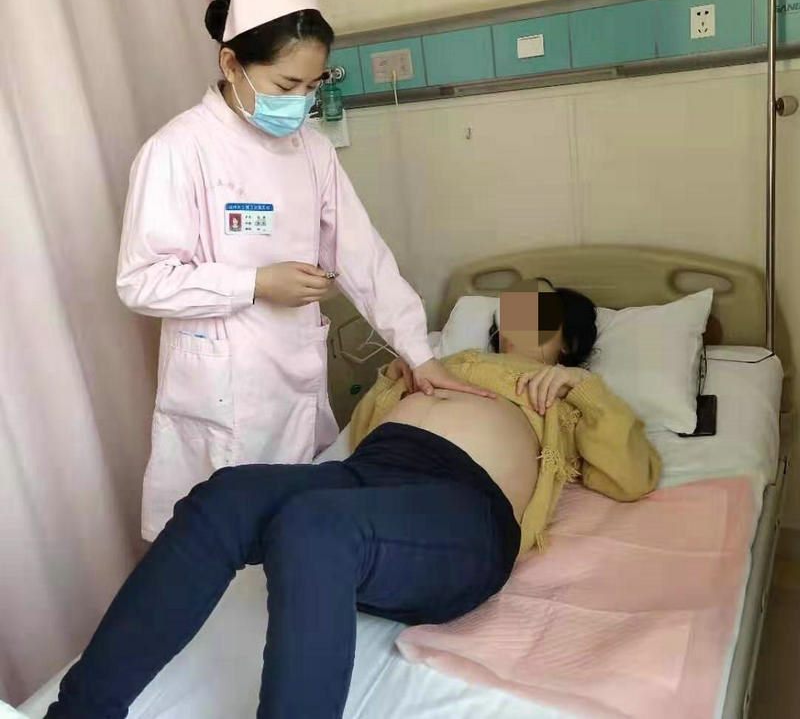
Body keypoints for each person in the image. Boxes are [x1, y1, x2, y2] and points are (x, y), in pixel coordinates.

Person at [45, 286, 661, 719]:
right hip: (368, 475)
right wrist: (403, 379)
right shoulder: (442, 362)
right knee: (225, 494)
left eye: (542, 307)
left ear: (569, 339)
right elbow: (363, 430)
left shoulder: (569, 394)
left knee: (316, 525)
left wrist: (582, 387)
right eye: (518, 302)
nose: (524, 308)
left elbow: (634, 476)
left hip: (463, 508)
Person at [116, 0, 490, 541]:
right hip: (223, 390)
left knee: (295, 532)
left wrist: (420, 354)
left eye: (313, 87)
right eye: (286, 86)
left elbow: (363, 256)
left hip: (294, 375)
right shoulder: (179, 150)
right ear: (231, 63)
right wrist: (255, 283)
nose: (300, 103)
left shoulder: (310, 149)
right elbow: (142, 280)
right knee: (220, 537)